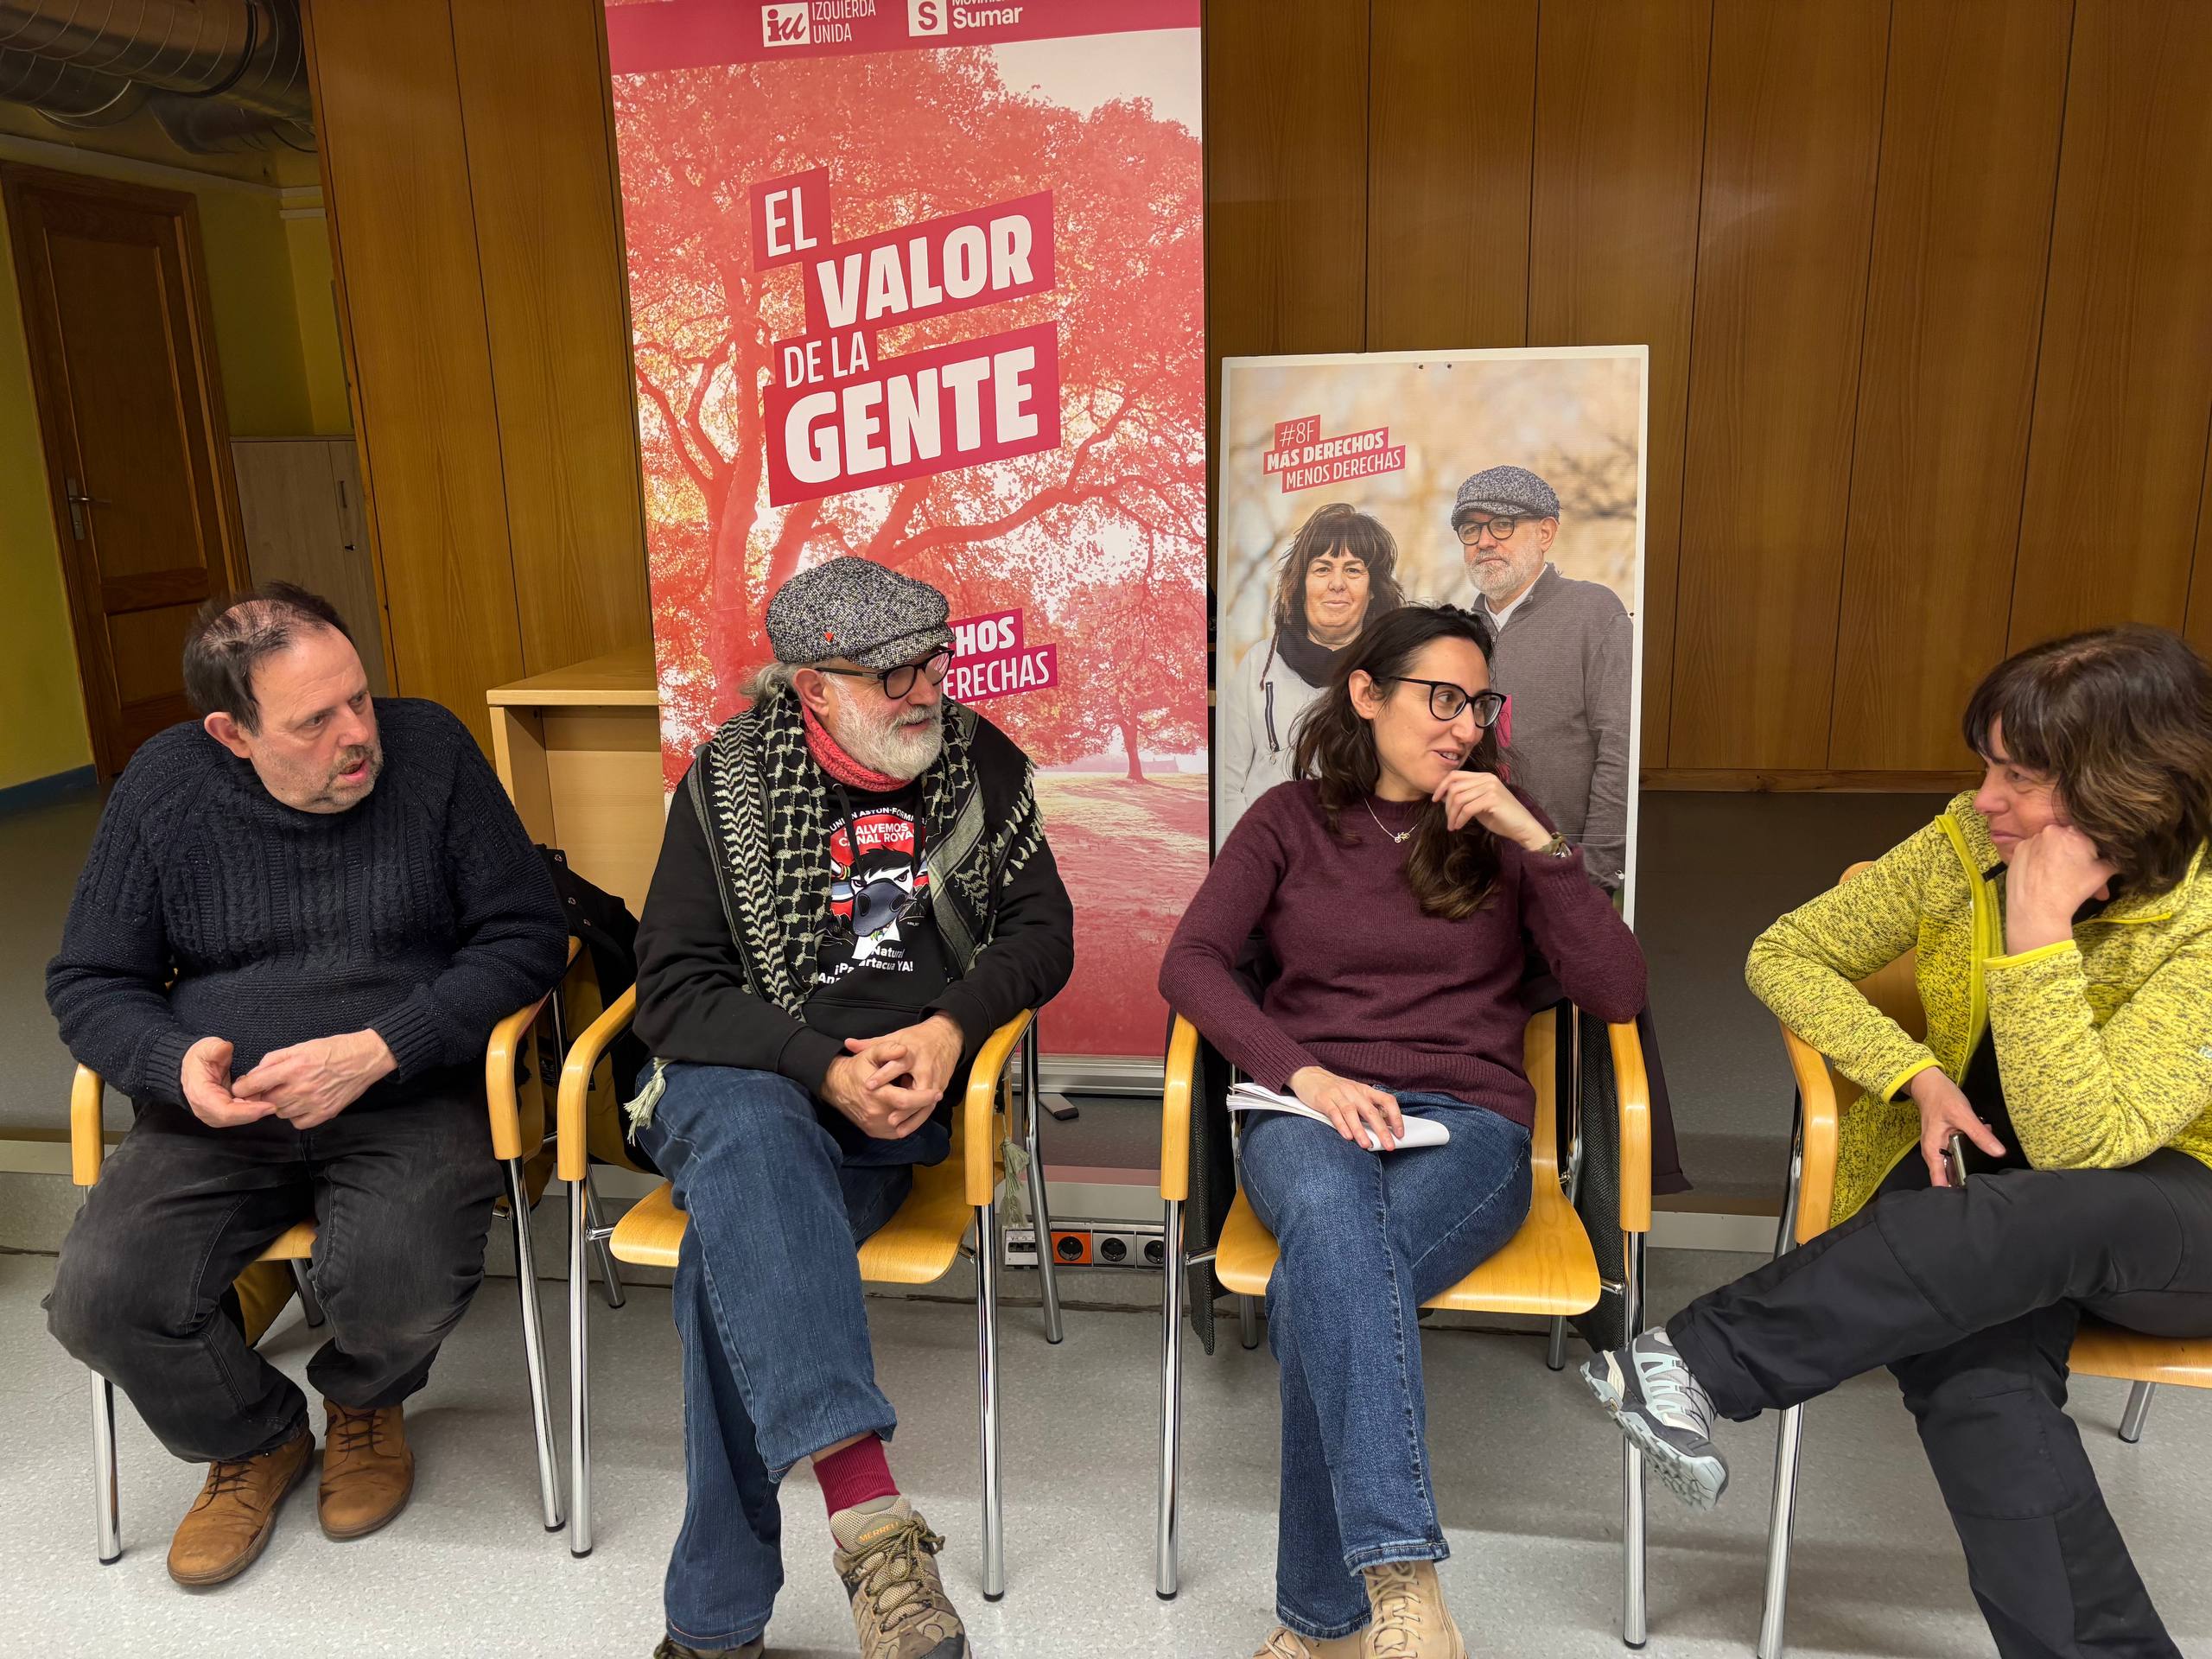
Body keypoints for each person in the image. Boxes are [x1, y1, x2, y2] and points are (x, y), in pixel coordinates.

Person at [1582, 625, 2212, 1658]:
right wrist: (1911, 1071)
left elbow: (2077, 1145)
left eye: (2019, 776)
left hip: (2170, 1213)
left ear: (2130, 789)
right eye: (1986, 766)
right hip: (1985, 1207)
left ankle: (1699, 1356)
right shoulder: (1970, 838)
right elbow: (1786, 952)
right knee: (1973, 1373)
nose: (1985, 800)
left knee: (2058, 1208)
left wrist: (2039, 932)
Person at [44, 583, 569, 1588]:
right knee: (99, 1302)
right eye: (314, 720)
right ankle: (253, 1440)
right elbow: (91, 980)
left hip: (405, 1087)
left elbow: (525, 934)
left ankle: (364, 1406)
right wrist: (172, 1064)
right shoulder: (162, 789)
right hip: (223, 1109)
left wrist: (384, 1045)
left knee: (402, 1280)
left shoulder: (432, 753)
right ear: (230, 734)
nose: (357, 733)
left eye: (360, 699)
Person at [1160, 604, 1645, 1658]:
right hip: (1308, 1113)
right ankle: (1403, 1582)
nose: (1463, 725)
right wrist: (1307, 1074)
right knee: (1334, 1233)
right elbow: (1189, 963)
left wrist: (1538, 841)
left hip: (1466, 1125)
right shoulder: (1288, 819)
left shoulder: (1505, 829)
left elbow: (1613, 992)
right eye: (1441, 698)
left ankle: (1322, 1622)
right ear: (1367, 695)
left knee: (1319, 1278)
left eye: (1478, 703)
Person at [627, 556, 1075, 1659]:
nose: (926, 690)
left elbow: (1041, 934)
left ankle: (713, 1623)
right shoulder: (727, 781)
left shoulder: (979, 765)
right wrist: (813, 1062)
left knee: (722, 1263)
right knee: (745, 1121)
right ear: (813, 689)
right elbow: (674, 991)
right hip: (751, 1078)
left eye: (932, 661)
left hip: (890, 1106)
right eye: (892, 678)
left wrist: (946, 1029)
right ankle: (875, 1530)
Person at [1452, 465, 1632, 889]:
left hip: (1562, 865)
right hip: (1469, 869)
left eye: (1502, 524)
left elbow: (1619, 744)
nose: (1484, 541)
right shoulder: (1455, 630)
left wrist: (1595, 871)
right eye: (1471, 530)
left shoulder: (1594, 611)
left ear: (1546, 533)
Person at [1217, 503, 1405, 840]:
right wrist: (1247, 863)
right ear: (1301, 583)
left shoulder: (1394, 670)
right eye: (1322, 569)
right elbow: (1227, 784)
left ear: (1372, 589)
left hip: (1356, 859)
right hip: (1265, 855)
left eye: (1353, 570)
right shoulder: (1258, 664)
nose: (1337, 584)